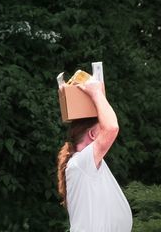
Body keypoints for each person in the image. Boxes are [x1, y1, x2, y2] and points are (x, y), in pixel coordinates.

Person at [55, 80, 132, 232]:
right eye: (100, 129)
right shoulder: (80, 163)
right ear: (92, 134)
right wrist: (95, 92)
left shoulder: (86, 164)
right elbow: (111, 128)